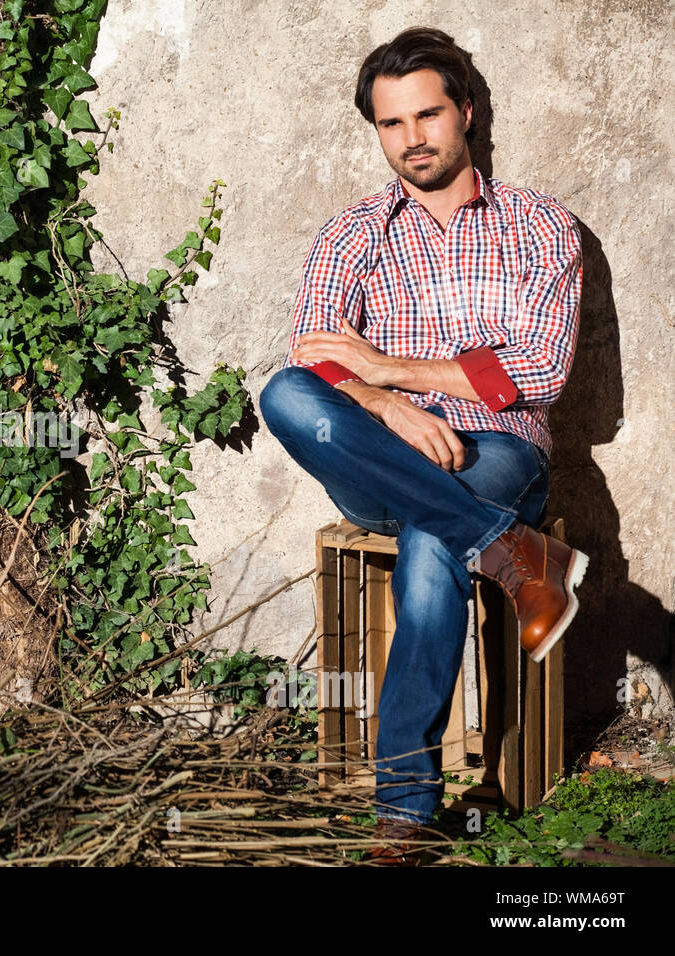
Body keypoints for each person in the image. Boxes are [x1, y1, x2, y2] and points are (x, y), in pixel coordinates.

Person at [257, 26, 589, 865]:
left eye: (428, 115)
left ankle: (402, 814)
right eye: (391, 123)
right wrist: (381, 401)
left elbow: (537, 376)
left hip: (500, 454)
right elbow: (314, 359)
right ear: (376, 129)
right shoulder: (352, 233)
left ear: (465, 112)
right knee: (284, 394)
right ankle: (513, 555)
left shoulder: (541, 225)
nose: (412, 139)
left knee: (430, 544)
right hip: (380, 455)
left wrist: (390, 366)